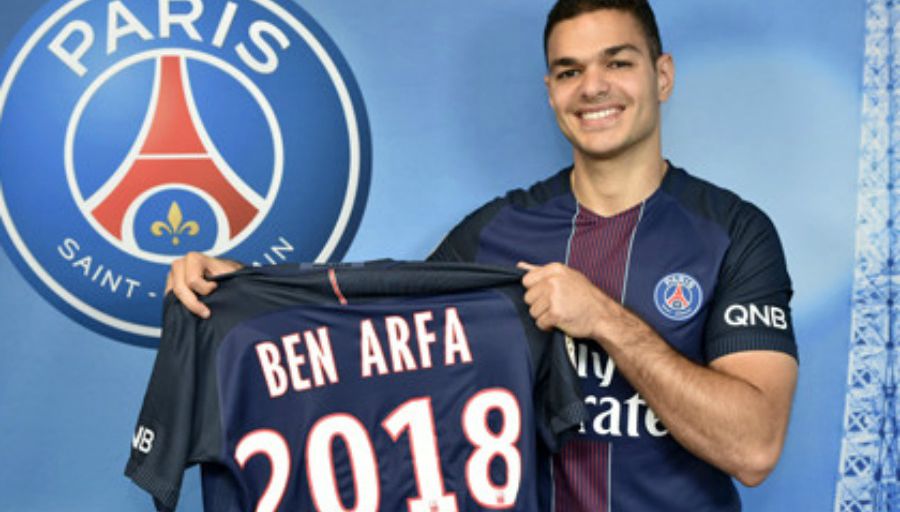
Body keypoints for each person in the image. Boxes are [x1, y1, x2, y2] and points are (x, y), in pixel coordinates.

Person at [167, 0, 798, 510]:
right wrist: (245, 290)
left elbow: (754, 448)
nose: (593, 87)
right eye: (569, 71)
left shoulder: (732, 233)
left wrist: (602, 317)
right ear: (550, 92)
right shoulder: (497, 231)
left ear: (662, 75)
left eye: (618, 62)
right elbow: (372, 338)